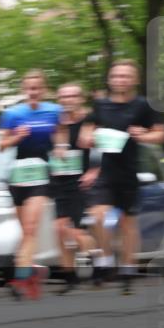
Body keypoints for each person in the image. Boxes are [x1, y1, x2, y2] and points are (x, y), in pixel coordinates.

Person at [79, 60, 164, 295]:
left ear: (135, 80)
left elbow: (161, 134)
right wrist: (89, 137)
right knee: (97, 217)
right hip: (104, 172)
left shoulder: (143, 105)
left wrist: (144, 135)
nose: (120, 80)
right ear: (110, 80)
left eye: (126, 76)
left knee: (128, 224)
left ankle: (128, 269)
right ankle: (107, 258)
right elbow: (86, 130)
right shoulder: (100, 105)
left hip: (128, 173)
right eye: (116, 76)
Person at [0, 69, 62, 300]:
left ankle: (20, 277)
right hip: (18, 175)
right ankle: (32, 271)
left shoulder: (54, 111)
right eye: (29, 89)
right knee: (26, 231)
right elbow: (0, 145)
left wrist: (59, 147)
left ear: (43, 90)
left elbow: (62, 135)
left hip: (41, 174)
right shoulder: (12, 114)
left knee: (32, 227)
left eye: (37, 88)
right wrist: (16, 137)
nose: (33, 92)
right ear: (23, 90)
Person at [50, 83, 98, 294]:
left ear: (81, 98)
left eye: (72, 96)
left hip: (81, 182)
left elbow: (102, 149)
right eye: (63, 96)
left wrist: (94, 170)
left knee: (75, 230)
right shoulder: (56, 122)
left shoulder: (89, 121)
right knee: (59, 230)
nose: (67, 99)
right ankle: (70, 278)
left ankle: (96, 255)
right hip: (60, 181)